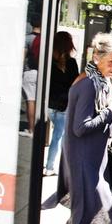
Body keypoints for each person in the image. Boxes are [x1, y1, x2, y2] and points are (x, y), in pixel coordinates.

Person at [55, 33, 112, 224]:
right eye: (111, 61)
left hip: (92, 154)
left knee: (86, 200)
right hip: (83, 155)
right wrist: (111, 111)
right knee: (91, 203)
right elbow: (81, 127)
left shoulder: (99, 80)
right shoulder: (87, 84)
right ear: (97, 57)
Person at [44, 31, 79, 176]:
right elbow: (75, 84)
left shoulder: (48, 60)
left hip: (50, 104)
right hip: (64, 105)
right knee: (59, 136)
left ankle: (51, 166)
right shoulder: (71, 63)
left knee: (57, 135)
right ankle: (50, 167)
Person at [20, 23, 40, 137]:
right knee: (38, 101)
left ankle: (31, 129)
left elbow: (23, 57)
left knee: (30, 101)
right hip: (42, 73)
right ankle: (38, 129)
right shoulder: (45, 39)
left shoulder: (27, 38)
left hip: (30, 72)